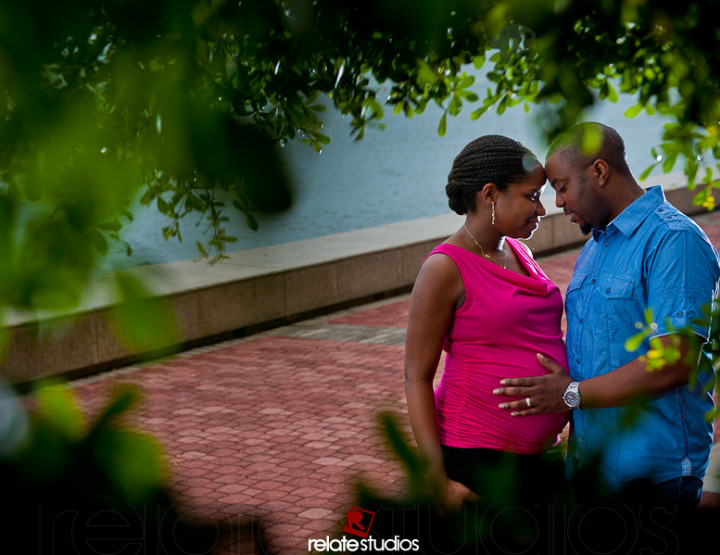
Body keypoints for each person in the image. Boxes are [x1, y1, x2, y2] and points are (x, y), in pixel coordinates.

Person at [493, 122, 720, 506]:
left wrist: (568, 393)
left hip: (652, 478)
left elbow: (675, 363)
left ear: (599, 172)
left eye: (562, 187)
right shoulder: (594, 248)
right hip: (589, 472)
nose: (558, 203)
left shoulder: (673, 241)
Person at [404, 135, 569, 513]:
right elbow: (416, 377)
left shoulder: (518, 250)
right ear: (491, 194)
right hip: (477, 459)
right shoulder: (443, 268)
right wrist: (437, 481)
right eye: (531, 195)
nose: (542, 208)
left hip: (543, 457)